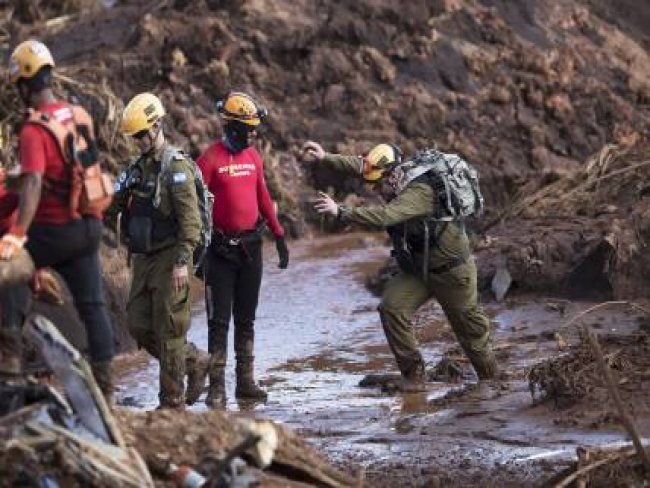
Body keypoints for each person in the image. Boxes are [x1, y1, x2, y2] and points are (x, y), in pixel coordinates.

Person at [304, 141, 498, 392]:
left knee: (470, 334)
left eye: (379, 185)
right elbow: (362, 166)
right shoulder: (394, 174)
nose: (377, 190)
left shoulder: (419, 191)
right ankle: (414, 377)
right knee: (392, 308)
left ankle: (493, 382)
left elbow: (386, 216)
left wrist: (341, 211)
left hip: (451, 271)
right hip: (419, 269)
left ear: (392, 175)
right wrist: (325, 157)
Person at [2, 40, 114, 394]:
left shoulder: (34, 130)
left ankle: (9, 371)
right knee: (94, 308)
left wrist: (18, 235)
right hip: (89, 226)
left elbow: (35, 182)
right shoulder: (78, 115)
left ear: (23, 84)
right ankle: (106, 393)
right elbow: (69, 169)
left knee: (7, 274)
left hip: (52, 233)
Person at [115, 92, 209, 409]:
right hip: (144, 256)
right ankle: (194, 361)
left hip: (172, 255)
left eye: (142, 134)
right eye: (134, 136)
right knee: (138, 324)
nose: (138, 141)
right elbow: (111, 205)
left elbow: (191, 223)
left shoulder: (176, 168)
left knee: (169, 329)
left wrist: (184, 262)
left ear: (157, 126)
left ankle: (172, 401)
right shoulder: (137, 170)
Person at [197, 91, 289, 408]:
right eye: (248, 128)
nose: (253, 134)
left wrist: (278, 234)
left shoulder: (253, 158)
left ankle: (245, 382)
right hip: (219, 252)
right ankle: (216, 387)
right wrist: (192, 249)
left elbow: (263, 197)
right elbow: (193, 206)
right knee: (218, 321)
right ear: (233, 127)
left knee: (246, 319)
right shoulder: (209, 160)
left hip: (251, 249)